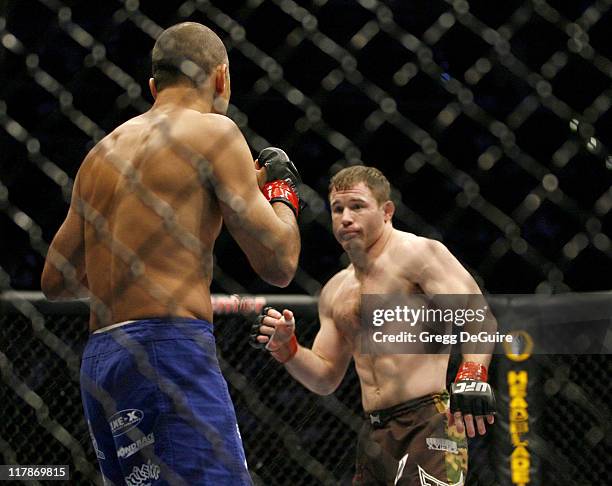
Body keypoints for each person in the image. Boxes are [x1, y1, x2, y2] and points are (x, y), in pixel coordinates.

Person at [41, 22, 302, 486]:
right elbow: (279, 263)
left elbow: (56, 281)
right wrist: (282, 192)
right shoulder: (215, 133)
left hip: (102, 362)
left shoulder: (102, 153)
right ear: (221, 77)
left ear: (152, 86)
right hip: (168, 350)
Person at [251, 166, 496, 485]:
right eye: (337, 209)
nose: (345, 218)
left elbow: (479, 316)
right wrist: (289, 350)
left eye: (357, 206)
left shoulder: (417, 254)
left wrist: (472, 373)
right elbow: (325, 377)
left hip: (429, 421)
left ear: (387, 211)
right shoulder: (336, 290)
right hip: (375, 432)